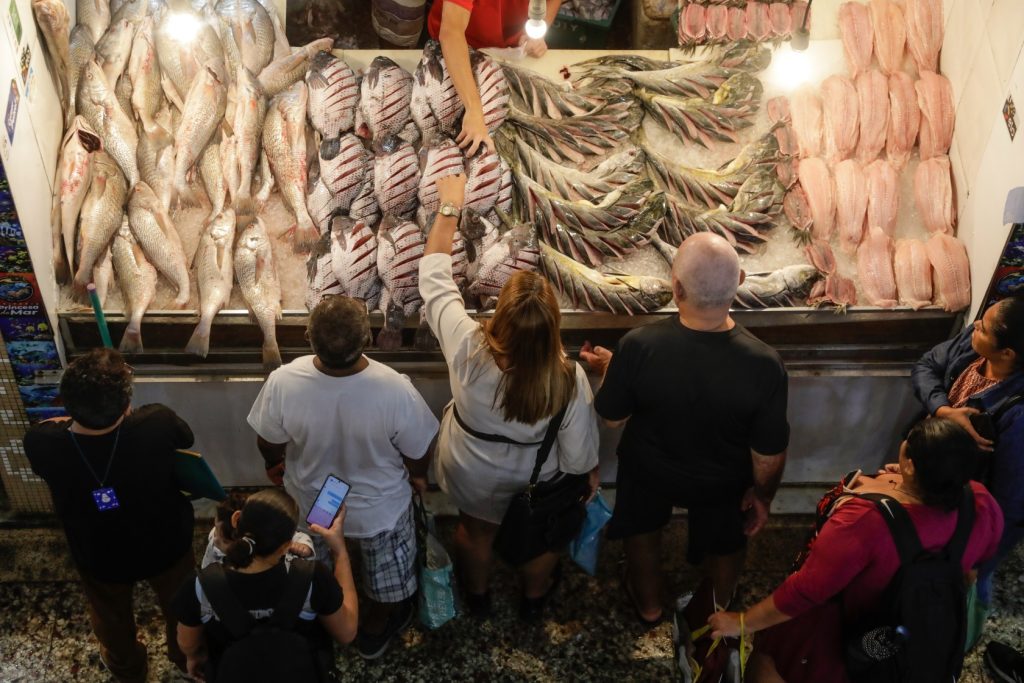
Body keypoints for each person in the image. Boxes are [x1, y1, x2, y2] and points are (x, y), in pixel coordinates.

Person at [580, 233, 790, 624]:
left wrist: (614, 371)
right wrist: (763, 496)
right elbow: (768, 453)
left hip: (649, 472)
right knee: (729, 540)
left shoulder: (638, 345)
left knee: (641, 530)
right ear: (740, 281)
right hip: (723, 480)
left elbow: (613, 417)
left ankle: (649, 606)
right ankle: (715, 609)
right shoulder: (765, 363)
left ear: (676, 288)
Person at [419, 174, 600, 620]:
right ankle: (533, 601)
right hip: (537, 481)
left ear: (499, 314)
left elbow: (435, 280)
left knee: (475, 530)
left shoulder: (467, 345)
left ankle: (477, 599)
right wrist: (590, 475)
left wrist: (449, 206)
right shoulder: (570, 378)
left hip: (470, 469)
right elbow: (578, 461)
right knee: (543, 539)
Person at [707, 418, 1004, 683]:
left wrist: (741, 622)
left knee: (769, 665)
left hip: (841, 632)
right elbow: (972, 571)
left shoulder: (864, 522)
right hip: (912, 632)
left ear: (911, 465)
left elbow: (806, 592)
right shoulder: (981, 503)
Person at [246, 296, 438, 659]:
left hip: (314, 507)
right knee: (385, 581)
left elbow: (268, 439)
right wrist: (418, 477)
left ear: (309, 338)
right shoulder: (394, 388)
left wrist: (274, 464)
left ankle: (325, 619)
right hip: (378, 510)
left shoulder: (284, 380)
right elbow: (418, 449)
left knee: (315, 567)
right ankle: (373, 628)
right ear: (366, 339)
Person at [23, 348, 196, 683]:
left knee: (110, 615)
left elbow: (49, 427)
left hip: (99, 552)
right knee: (180, 603)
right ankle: (183, 654)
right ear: (125, 403)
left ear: (66, 403)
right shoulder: (157, 423)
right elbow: (185, 436)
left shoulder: (42, 443)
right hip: (166, 542)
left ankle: (126, 665)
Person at [912, 295, 1024, 612]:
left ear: (1007, 353)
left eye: (984, 328)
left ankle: (964, 626)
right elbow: (926, 365)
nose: (975, 325)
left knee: (965, 588)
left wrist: (980, 557)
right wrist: (943, 409)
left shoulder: (1018, 415)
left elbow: (1010, 503)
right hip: (936, 483)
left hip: (966, 509)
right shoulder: (972, 344)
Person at [174, 489, 358, 681]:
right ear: (286, 546)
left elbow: (187, 643)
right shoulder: (312, 577)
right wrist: (339, 552)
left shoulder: (200, 585)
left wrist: (193, 656)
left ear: (236, 519)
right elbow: (347, 633)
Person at [428, 0, 563, 155]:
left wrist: (539, 28)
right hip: (460, 47)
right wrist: (473, 109)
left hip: (513, 44)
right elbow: (452, 31)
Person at [201, 492, 315, 568]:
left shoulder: (268, 535)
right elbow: (206, 566)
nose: (215, 538)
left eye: (225, 542)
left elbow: (298, 536)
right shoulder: (216, 539)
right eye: (215, 527)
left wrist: (304, 546)